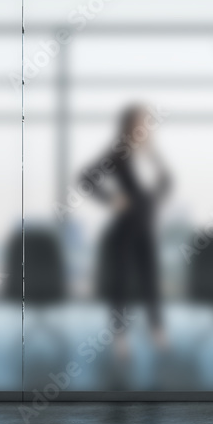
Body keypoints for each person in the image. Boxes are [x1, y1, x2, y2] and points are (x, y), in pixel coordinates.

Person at [84, 104, 172, 353]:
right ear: (129, 126)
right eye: (139, 123)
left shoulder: (151, 153)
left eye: (146, 123)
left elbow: (167, 180)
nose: (144, 127)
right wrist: (111, 199)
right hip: (125, 227)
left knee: (150, 280)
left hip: (147, 226)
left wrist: (155, 198)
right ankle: (119, 336)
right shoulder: (117, 155)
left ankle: (157, 329)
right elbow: (87, 177)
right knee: (121, 282)